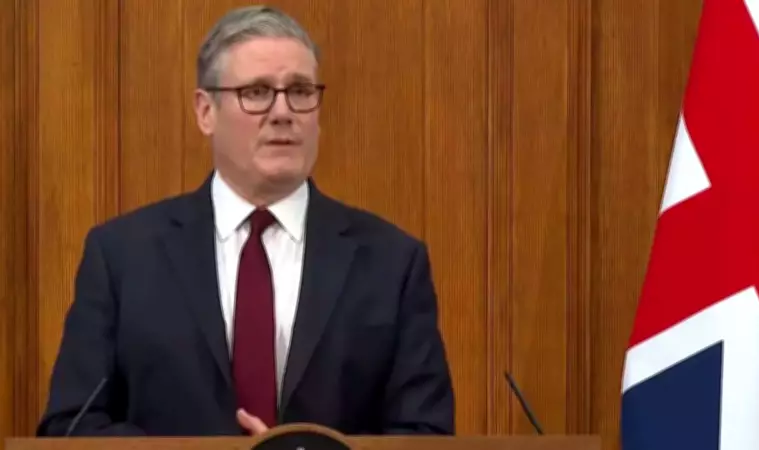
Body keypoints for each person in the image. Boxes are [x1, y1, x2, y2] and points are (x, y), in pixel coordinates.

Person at [36, 5, 454, 437]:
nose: (283, 112)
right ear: (206, 111)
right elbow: (71, 428)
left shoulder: (391, 263)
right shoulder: (123, 257)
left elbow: (425, 433)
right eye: (256, 92)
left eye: (300, 91)